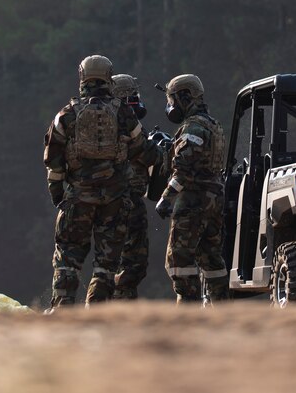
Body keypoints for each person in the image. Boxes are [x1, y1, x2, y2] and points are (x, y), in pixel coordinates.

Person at [44, 55, 146, 308]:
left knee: (68, 255)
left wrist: (58, 194)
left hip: (78, 197)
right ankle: (98, 311)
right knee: (106, 262)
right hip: (115, 200)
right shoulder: (123, 112)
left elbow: (53, 158)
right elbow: (141, 149)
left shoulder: (67, 114)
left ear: (82, 77)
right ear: (109, 77)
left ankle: (62, 307)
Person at [155, 73, 229, 304]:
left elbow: (184, 170)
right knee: (212, 259)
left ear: (185, 97)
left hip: (193, 203)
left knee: (178, 261)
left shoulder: (192, 128)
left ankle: (189, 309)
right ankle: (221, 308)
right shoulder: (213, 125)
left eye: (172, 100)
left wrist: (166, 198)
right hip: (214, 201)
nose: (171, 106)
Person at [111, 73, 155, 299]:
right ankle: (120, 305)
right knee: (133, 263)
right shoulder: (128, 124)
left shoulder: (97, 122)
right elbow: (147, 155)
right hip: (128, 201)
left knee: (108, 262)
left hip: (104, 200)